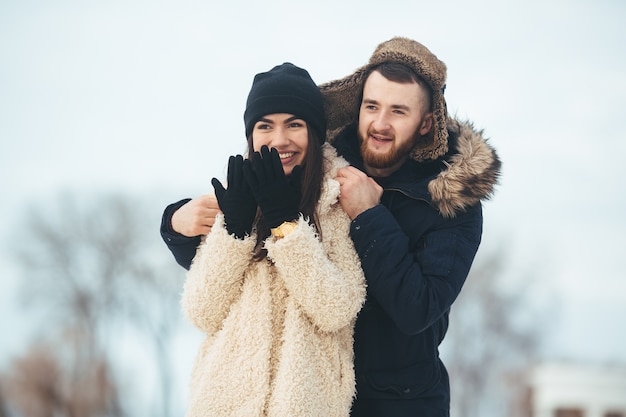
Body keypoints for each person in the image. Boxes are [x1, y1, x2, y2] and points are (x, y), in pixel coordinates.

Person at [161, 37, 501, 416]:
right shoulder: (317, 166)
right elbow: (223, 266)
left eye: (398, 111)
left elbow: (416, 309)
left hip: (396, 400)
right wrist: (174, 223)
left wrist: (370, 218)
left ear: (426, 124)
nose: (380, 123)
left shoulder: (451, 203)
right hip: (290, 392)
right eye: (372, 106)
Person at [178, 62, 366, 417]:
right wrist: (234, 232)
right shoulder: (235, 200)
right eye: (266, 126)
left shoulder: (339, 200)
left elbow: (337, 309)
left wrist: (287, 227)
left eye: (294, 124)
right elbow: (201, 311)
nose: (280, 139)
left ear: (314, 131)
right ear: (251, 134)